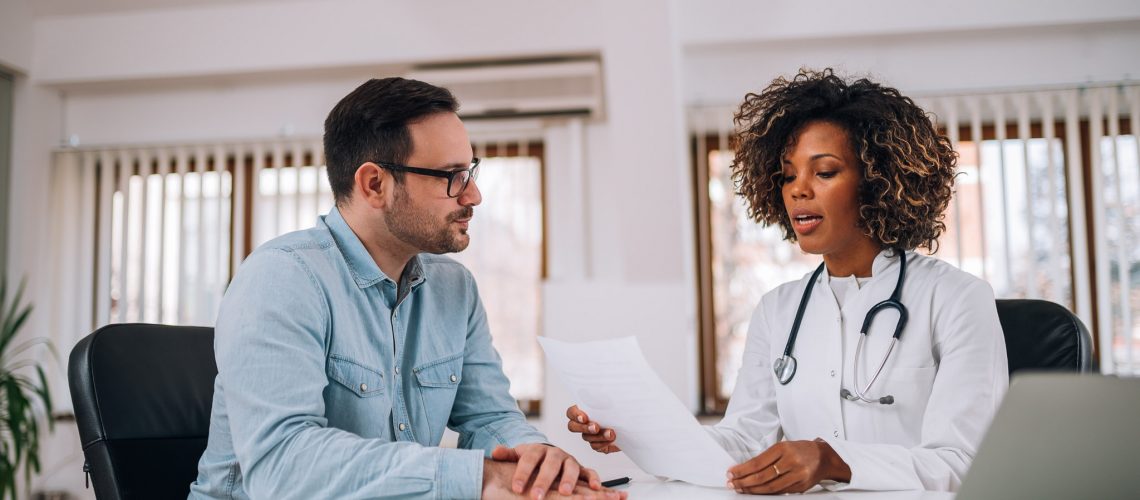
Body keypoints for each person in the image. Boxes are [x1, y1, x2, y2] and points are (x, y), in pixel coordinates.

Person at [565, 68, 1008, 494]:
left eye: (825, 171)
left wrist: (833, 461)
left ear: (877, 182)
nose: (798, 189)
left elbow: (963, 461)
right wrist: (639, 434)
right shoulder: (778, 310)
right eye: (788, 174)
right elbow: (741, 441)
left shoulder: (956, 299)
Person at [190, 78, 624, 500]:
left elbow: (489, 417)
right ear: (374, 184)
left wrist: (537, 461)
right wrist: (482, 479)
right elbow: (282, 467)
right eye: (451, 176)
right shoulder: (281, 280)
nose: (473, 195)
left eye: (469, 171)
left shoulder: (455, 289)